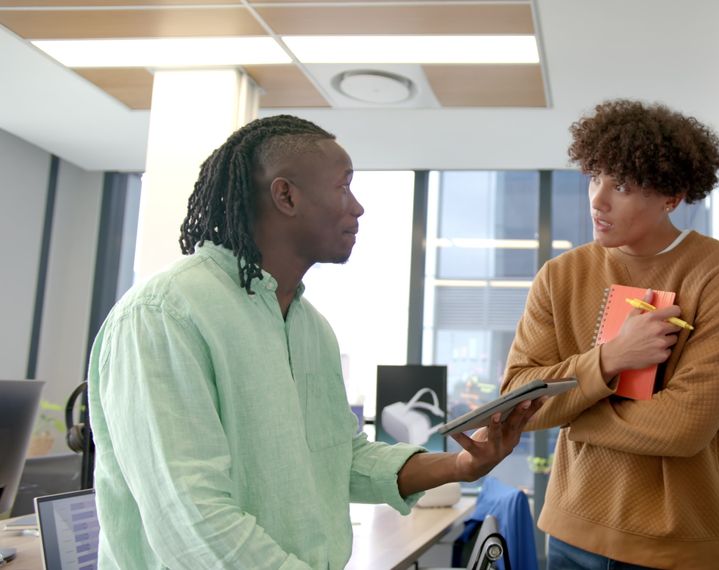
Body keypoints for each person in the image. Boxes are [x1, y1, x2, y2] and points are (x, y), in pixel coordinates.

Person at [86, 115, 540, 569]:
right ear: (286, 196)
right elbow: (191, 522)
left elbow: (341, 458)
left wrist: (460, 466)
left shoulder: (310, 327)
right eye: (344, 186)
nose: (357, 207)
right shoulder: (164, 314)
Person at [500, 99, 719, 568]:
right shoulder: (560, 276)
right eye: (594, 177)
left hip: (674, 541)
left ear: (670, 197)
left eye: (620, 185)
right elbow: (517, 397)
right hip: (569, 529)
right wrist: (609, 359)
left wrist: (571, 414)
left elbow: (684, 427)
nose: (597, 200)